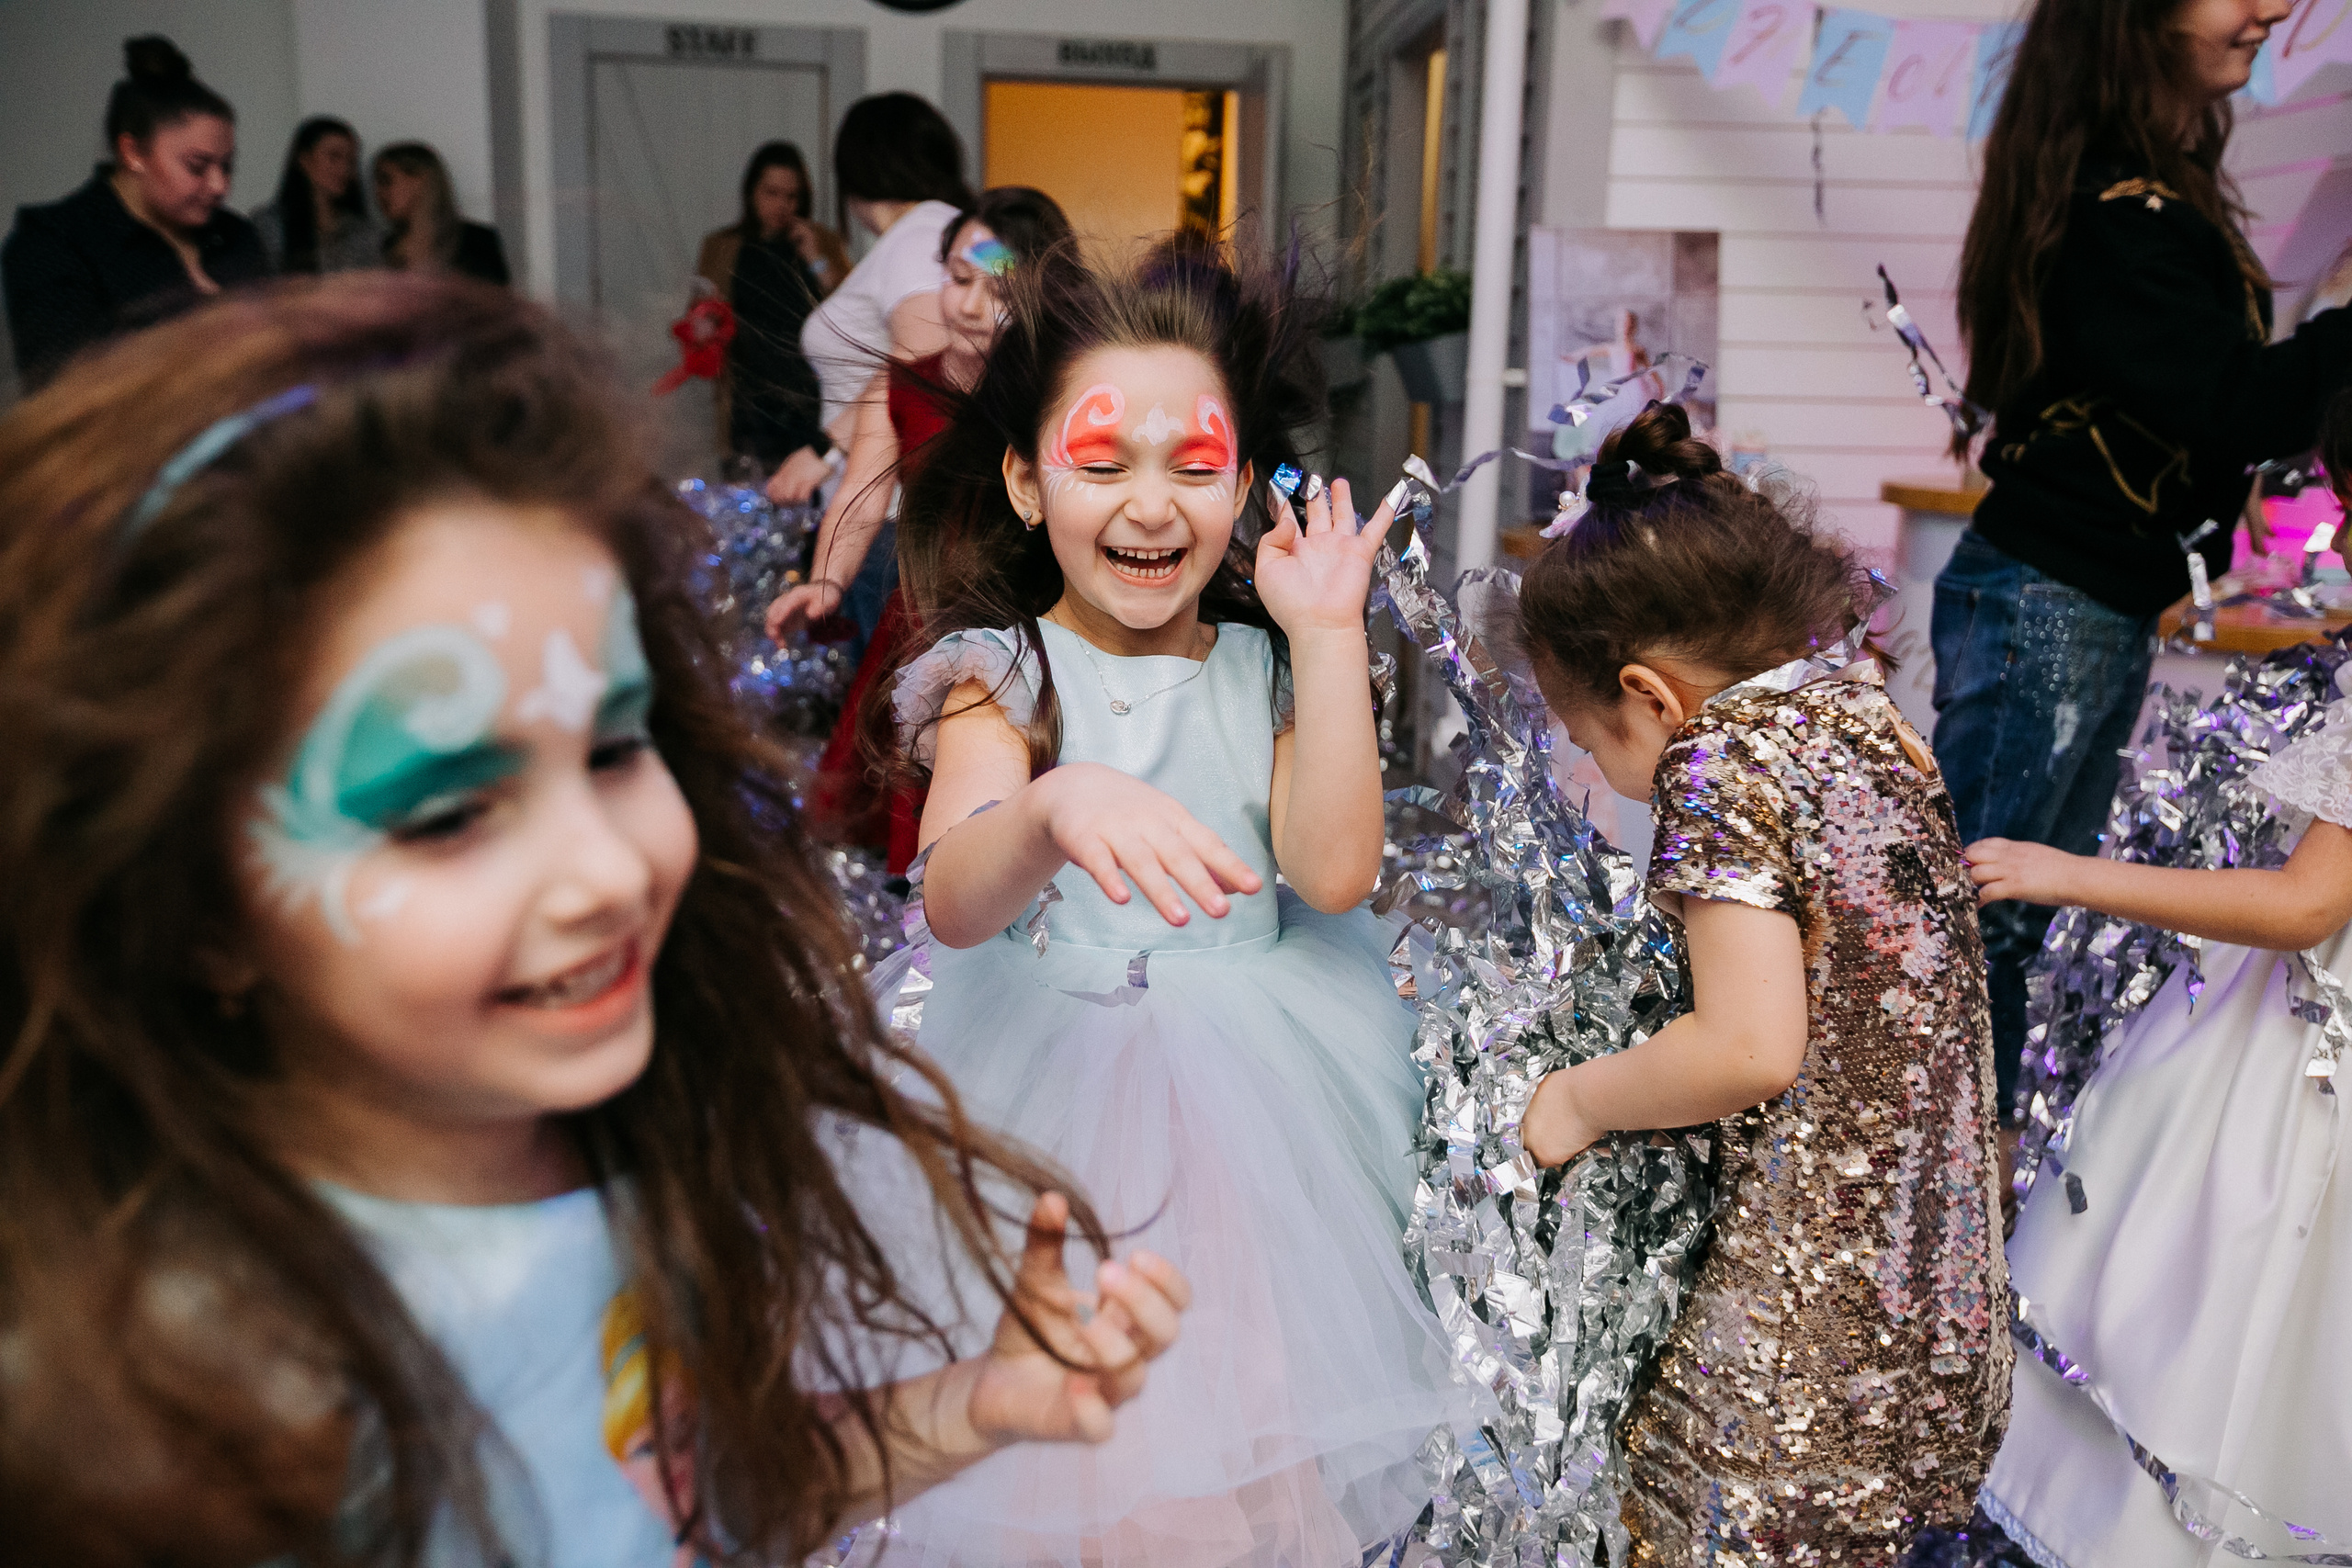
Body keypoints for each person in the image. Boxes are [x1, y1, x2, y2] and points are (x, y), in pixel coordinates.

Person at [0, 271, 1190, 1562]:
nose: (606, 871)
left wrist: (971, 1402)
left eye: (615, 746)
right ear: (194, 908)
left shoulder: (614, 1160)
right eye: (448, 812)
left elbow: (674, 1495)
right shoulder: (191, 1364)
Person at [874, 242, 1475, 1566]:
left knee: (1237, 1463)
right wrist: (1047, 807)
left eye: (1193, 465)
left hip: (1264, 1114)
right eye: (1104, 462)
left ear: (1246, 484)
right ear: (1029, 482)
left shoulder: (1267, 664)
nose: (1152, 506)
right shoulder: (1003, 672)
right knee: (1083, 1466)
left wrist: (1327, 643)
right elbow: (956, 901)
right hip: (1057, 1096)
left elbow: (1331, 873)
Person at [1514, 405, 2011, 1565]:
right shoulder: (1872, 722)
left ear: (1649, 693)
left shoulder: (1717, 758)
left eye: (1591, 746)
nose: (1603, 775)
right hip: (1937, 1306)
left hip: (1799, 1341)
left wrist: (1577, 1100)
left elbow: (1748, 1048)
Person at [1938, 0, 2352, 1120]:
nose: (2271, 8)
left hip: (2089, 600)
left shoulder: (2150, 193)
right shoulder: (2118, 214)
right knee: (1980, 924)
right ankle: (1927, 1223)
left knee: (2005, 920)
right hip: (2048, 600)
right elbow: (2235, 405)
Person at [1964, 390, 2352, 1566]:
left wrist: (2063, 870)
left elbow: (2304, 904)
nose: (2336, 541)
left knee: (2230, 1304)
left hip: (2301, 1060)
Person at [777, 186, 1073, 870]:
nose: (968, 304)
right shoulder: (903, 381)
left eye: (995, 288)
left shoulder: (1053, 389)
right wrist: (825, 582)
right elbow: (861, 489)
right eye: (957, 278)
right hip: (922, 622)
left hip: (1028, 619)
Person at [761, 94, 972, 607]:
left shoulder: (920, 232)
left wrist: (824, 448)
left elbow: (924, 357)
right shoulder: (935, 231)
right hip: (890, 520)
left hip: (890, 523)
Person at [3, 35, 266, 389]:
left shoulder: (236, 234)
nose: (220, 186)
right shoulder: (53, 243)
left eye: (227, 167)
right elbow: (69, 391)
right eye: (197, 166)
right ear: (133, 153)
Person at [694, 141, 854, 460]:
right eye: (771, 193)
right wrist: (703, 324)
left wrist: (816, 259)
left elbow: (850, 310)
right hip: (748, 400)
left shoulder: (822, 242)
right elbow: (699, 314)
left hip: (811, 398)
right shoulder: (722, 246)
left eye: (791, 196)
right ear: (752, 193)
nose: (781, 205)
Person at [252, 115, 382, 275]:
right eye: (334, 157)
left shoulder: (364, 233)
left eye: (351, 161)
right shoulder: (270, 224)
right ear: (305, 160)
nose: (344, 170)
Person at [374, 141, 510, 285]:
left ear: (420, 181)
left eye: (385, 180)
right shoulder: (383, 246)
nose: (378, 192)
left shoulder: (476, 241)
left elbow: (495, 301)